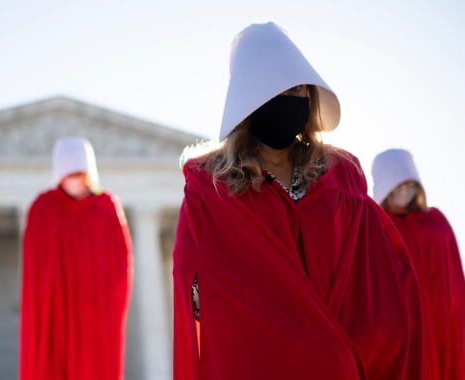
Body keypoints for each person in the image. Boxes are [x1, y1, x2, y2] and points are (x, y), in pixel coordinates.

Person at [173, 22, 423, 379]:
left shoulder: (341, 178)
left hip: (344, 366)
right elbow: (193, 288)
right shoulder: (212, 191)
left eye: (298, 88)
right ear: (249, 99)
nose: (290, 98)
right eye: (276, 90)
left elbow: (379, 278)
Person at [19, 136, 133, 380]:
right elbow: (34, 271)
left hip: (94, 314)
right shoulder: (42, 208)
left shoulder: (106, 207)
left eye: (80, 174)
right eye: (69, 174)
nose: (75, 180)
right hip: (53, 312)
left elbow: (120, 266)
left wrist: (106, 307)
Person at [372, 148, 465, 379]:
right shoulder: (379, 230)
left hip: (449, 319)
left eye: (408, 184)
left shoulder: (436, 220)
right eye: (396, 186)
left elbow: (453, 270)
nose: (404, 190)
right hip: (412, 323)